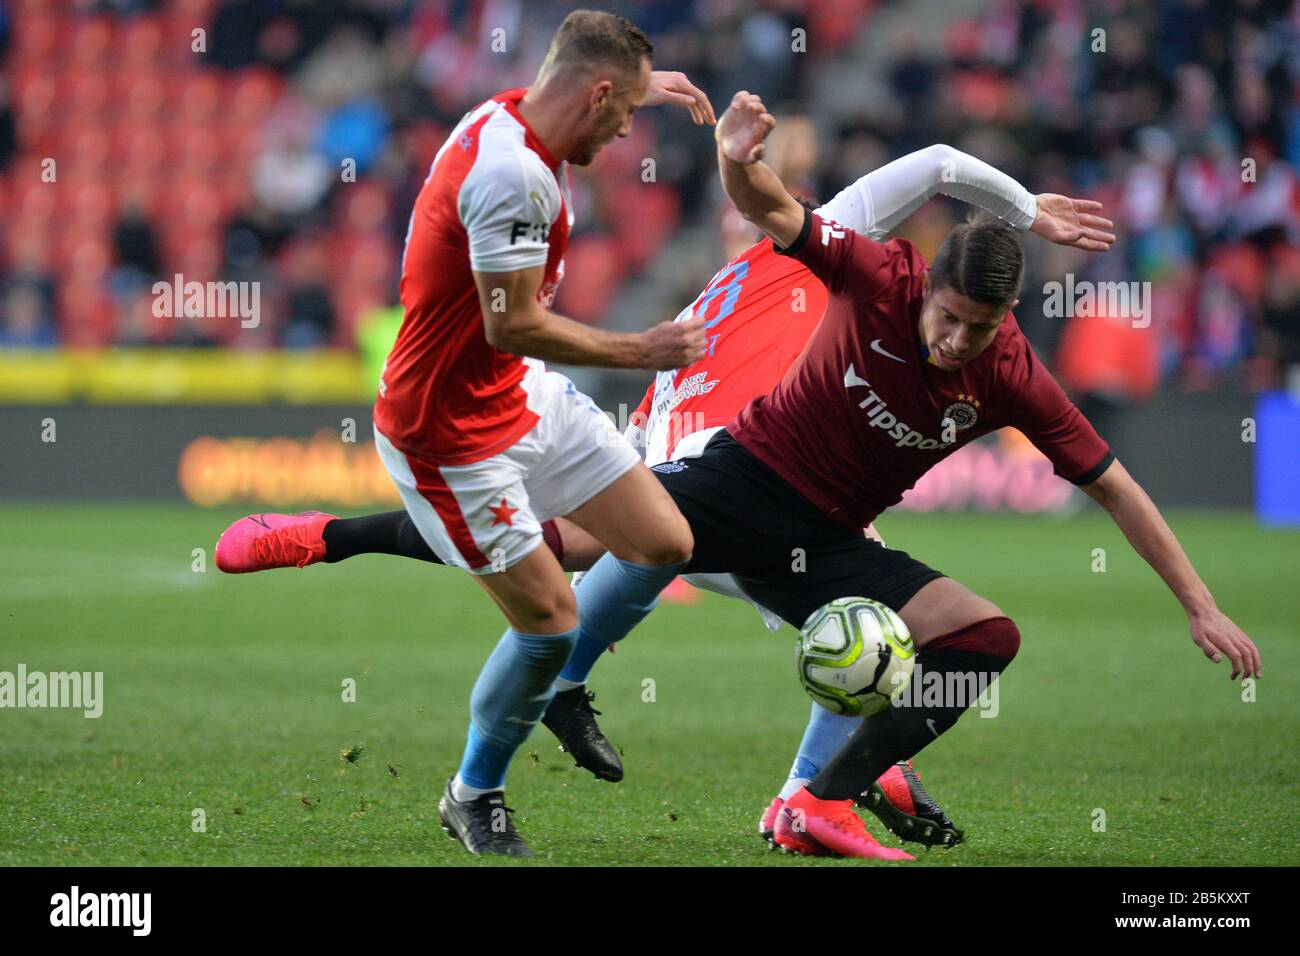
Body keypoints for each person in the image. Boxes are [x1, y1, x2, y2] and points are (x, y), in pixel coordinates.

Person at [217, 125, 1128, 852]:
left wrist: (1010, 214)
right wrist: (1024, 211)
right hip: (731, 456)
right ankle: (810, 799)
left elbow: (923, 168)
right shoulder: (840, 252)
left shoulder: (789, 253)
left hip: (675, 429)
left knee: (565, 546)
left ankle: (343, 550)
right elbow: (935, 165)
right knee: (861, 617)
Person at [560, 91, 1260, 860]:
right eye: (950, 319)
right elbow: (793, 200)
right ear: (928, 290)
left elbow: (1114, 485)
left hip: (795, 514)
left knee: (921, 632)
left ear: (1008, 316)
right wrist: (737, 162)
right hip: (733, 475)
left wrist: (1201, 606)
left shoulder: (984, 354)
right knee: (600, 545)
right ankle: (541, 706)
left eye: (980, 328)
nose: (959, 342)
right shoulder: (842, 268)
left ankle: (818, 793)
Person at [220, 11, 717, 858]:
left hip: (520, 398)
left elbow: (568, 84)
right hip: (447, 435)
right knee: (551, 623)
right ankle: (473, 794)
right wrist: (642, 350)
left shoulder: (510, 116)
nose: (629, 129)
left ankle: (559, 687)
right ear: (594, 95)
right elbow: (511, 324)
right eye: (624, 112)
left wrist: (649, 89)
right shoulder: (511, 174)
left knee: (664, 541)